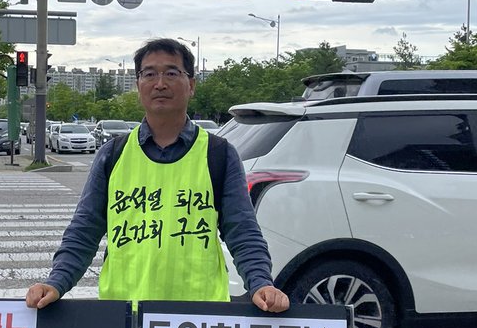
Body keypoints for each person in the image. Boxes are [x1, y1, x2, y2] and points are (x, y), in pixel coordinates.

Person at [26, 38, 290, 312]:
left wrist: (261, 283)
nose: (160, 83)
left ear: (191, 85)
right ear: (138, 84)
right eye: (149, 74)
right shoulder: (113, 155)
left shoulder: (218, 154)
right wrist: (56, 283)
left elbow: (243, 231)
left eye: (172, 73)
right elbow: (84, 231)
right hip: (124, 315)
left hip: (200, 321)